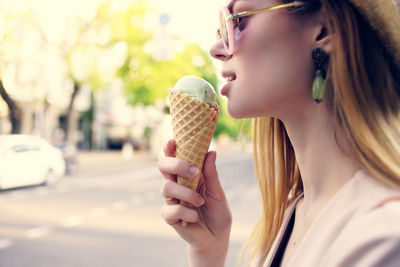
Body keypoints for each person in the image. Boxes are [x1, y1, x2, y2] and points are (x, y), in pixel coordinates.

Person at [157, 0, 400, 266]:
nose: (216, 49)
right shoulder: (293, 212)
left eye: (237, 20)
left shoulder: (382, 239)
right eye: (221, 31)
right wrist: (208, 251)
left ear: (323, 30)